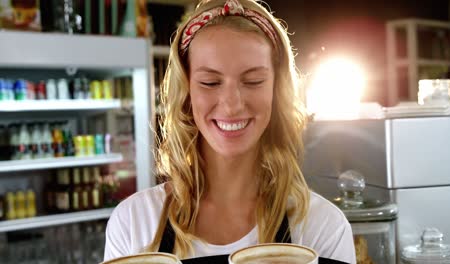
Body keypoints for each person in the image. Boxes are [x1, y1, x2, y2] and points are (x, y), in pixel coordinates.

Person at [104, 0, 356, 263]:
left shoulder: (323, 229)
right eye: (210, 82)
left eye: (253, 81)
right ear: (187, 93)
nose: (232, 104)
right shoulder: (134, 222)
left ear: (276, 90)